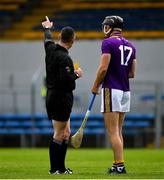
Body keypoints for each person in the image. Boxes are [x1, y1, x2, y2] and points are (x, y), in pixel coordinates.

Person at [91, 15, 137, 174]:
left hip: (111, 89)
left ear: (110, 27)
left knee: (113, 131)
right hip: (125, 91)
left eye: (105, 26)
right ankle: (117, 164)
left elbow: (103, 68)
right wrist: (119, 71)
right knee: (118, 130)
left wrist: (95, 85)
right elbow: (132, 73)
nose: (104, 29)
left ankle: (120, 165)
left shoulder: (107, 43)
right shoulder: (131, 46)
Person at [42, 16, 83, 175]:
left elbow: (47, 39)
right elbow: (65, 80)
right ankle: (54, 170)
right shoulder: (65, 58)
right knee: (59, 134)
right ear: (72, 41)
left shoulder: (50, 49)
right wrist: (77, 74)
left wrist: (47, 28)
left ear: (60, 37)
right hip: (60, 97)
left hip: (53, 96)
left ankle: (62, 168)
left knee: (66, 133)